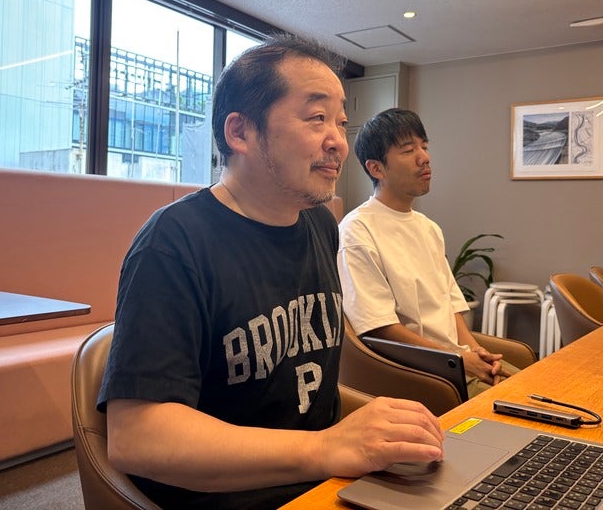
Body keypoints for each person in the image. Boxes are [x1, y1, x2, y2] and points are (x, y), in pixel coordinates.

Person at [97, 37, 444, 509]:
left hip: (327, 484)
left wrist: (382, 430)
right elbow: (137, 437)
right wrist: (326, 449)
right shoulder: (173, 243)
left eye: (341, 122)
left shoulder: (320, 224)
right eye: (316, 118)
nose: (338, 141)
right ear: (240, 132)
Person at [337, 108, 518, 399]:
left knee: (544, 386)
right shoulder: (357, 230)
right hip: (424, 373)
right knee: (524, 404)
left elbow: (448, 304)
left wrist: (474, 350)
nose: (424, 158)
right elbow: (379, 328)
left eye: (424, 146)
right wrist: (457, 360)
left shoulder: (428, 228)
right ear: (376, 168)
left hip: (456, 361)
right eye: (409, 150)